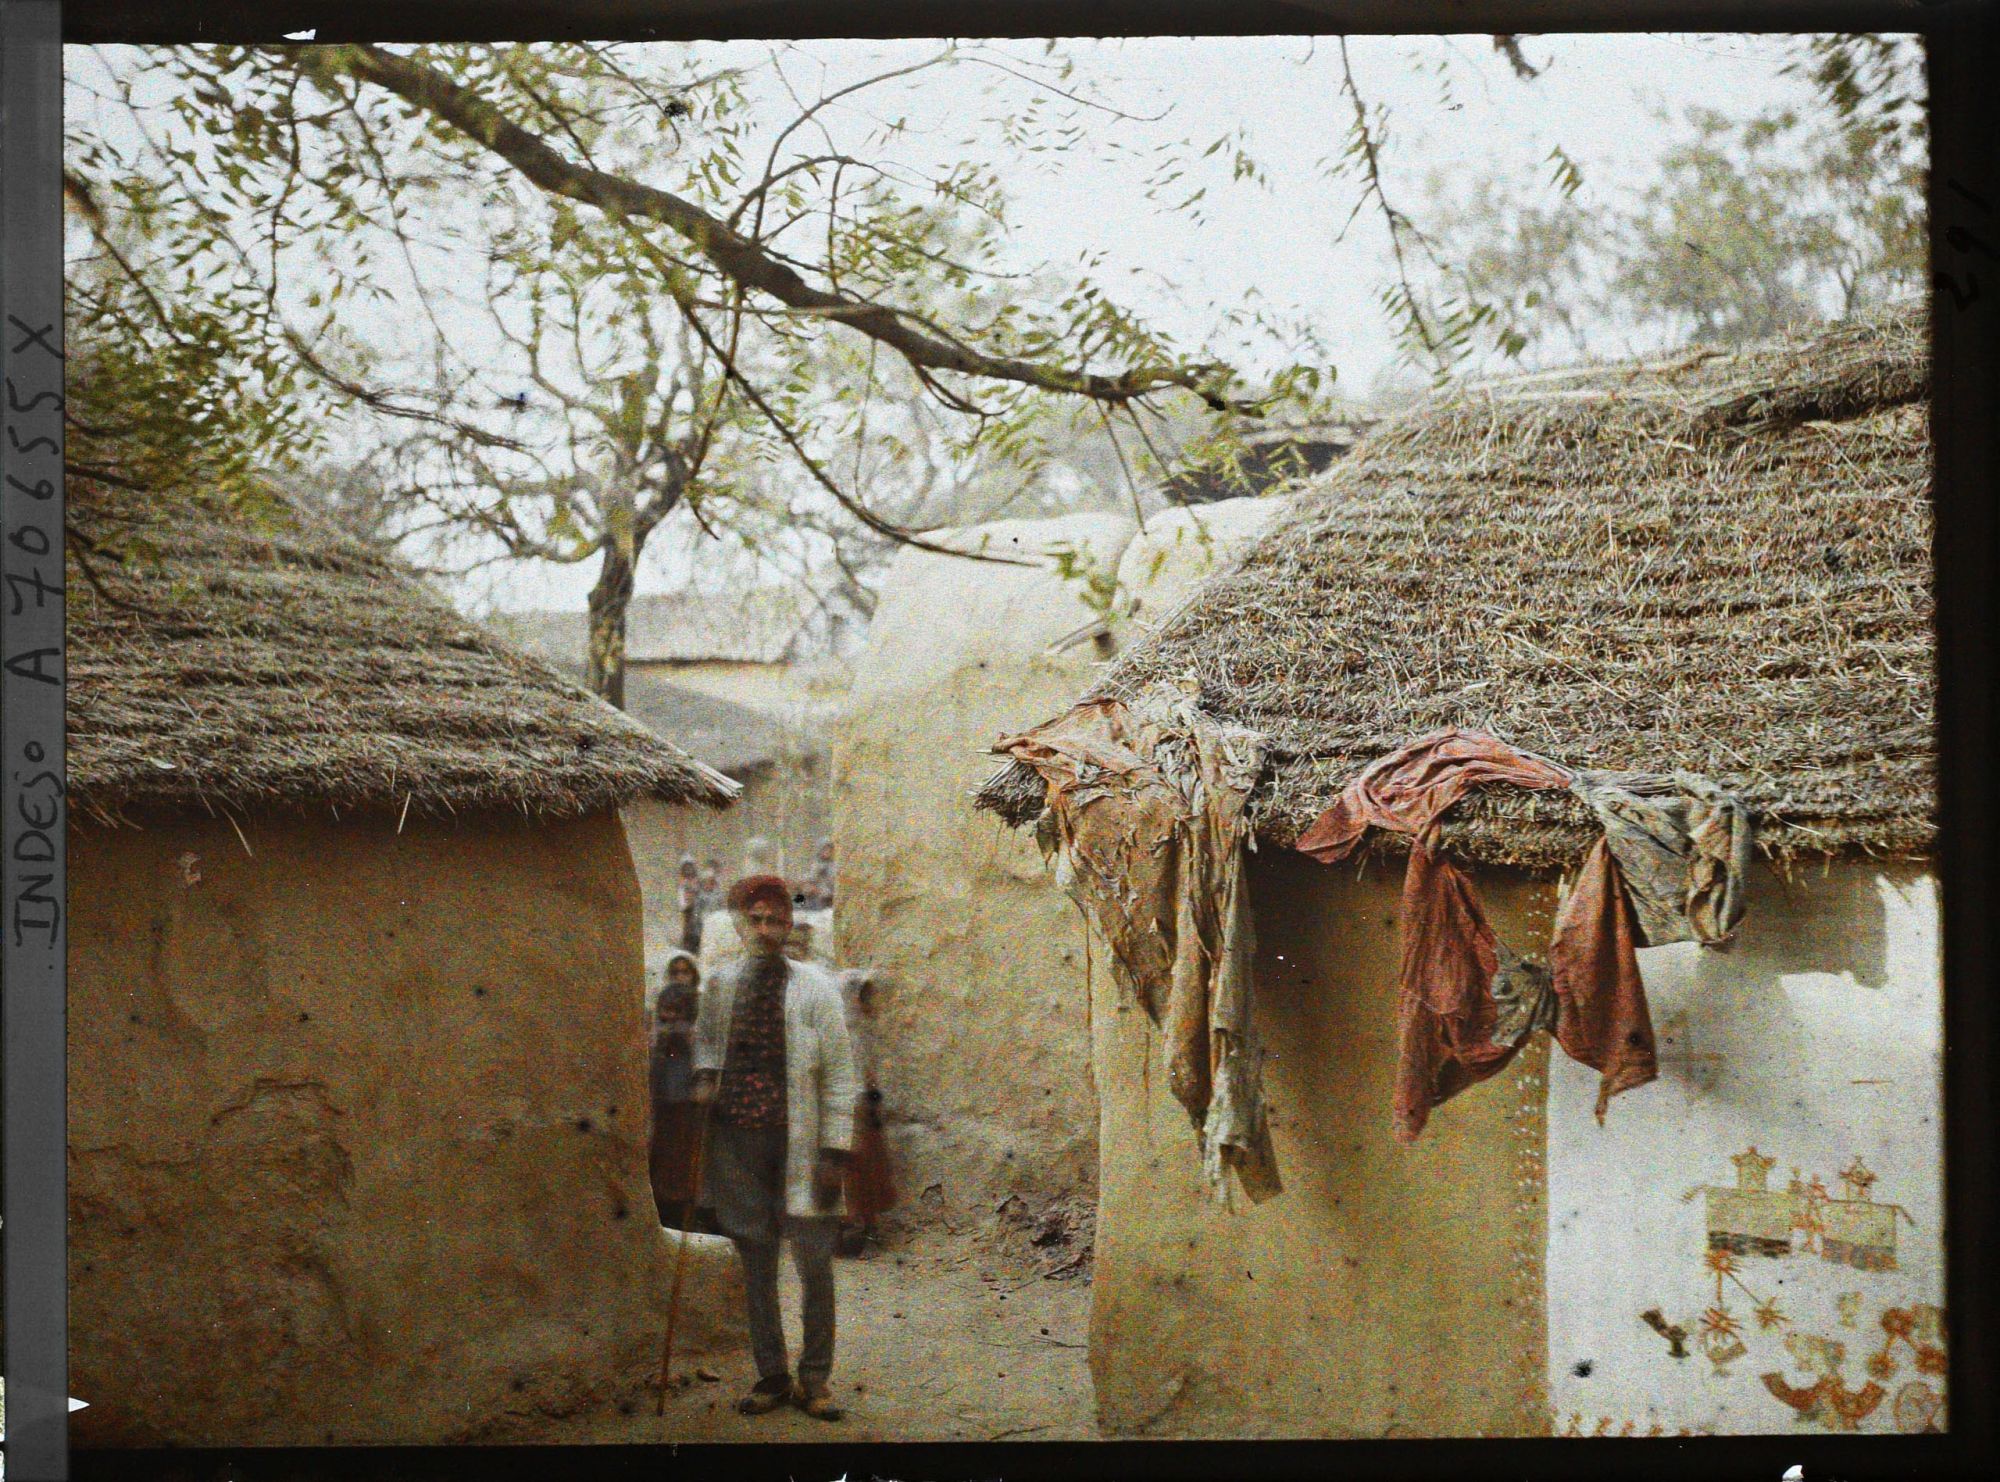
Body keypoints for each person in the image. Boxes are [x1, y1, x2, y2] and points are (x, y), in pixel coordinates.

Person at [691, 875, 859, 1421]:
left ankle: (815, 1379)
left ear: (789, 925)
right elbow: (707, 1053)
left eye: (775, 920)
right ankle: (772, 1375)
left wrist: (836, 1148)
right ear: (742, 925)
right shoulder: (717, 985)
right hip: (738, 1144)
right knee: (756, 1263)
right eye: (755, 920)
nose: (765, 930)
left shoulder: (817, 988)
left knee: (814, 1265)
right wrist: (703, 1084)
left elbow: (838, 1075)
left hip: (802, 1144)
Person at [835, 969, 897, 1257]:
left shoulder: (862, 1032)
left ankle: (868, 1229)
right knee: (852, 1173)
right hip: (847, 1108)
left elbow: (870, 1075)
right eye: (864, 997)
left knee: (869, 1171)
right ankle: (853, 1233)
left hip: (863, 1107)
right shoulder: (842, 1032)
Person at [648, 951, 705, 1224]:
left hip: (686, 1095)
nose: (681, 978)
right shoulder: (663, 1008)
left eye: (686, 972)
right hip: (664, 1095)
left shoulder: (698, 1008)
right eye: (676, 973)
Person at [675, 856, 703, 953]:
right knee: (689, 929)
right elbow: (682, 898)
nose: (688, 870)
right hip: (689, 910)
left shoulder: (698, 881)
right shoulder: (682, 883)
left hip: (699, 909)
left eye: (690, 867)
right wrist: (686, 905)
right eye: (686, 868)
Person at [802, 838, 836, 911]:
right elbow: (808, 878)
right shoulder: (814, 863)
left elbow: (833, 881)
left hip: (828, 897)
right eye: (825, 849)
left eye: (829, 850)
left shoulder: (833, 865)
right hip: (814, 896)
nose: (827, 852)